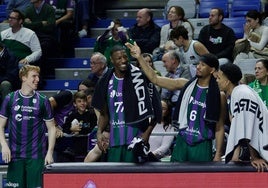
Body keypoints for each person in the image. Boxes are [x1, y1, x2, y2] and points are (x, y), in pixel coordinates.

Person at [126, 42, 226, 162]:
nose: (198, 67)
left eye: (203, 65)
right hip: (182, 140)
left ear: (212, 70)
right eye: (198, 63)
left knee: (199, 180)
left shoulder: (218, 95)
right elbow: (155, 79)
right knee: (175, 178)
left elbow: (219, 127)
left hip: (202, 143)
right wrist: (139, 57)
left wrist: (218, 154)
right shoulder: (186, 84)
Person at [91, 45, 162, 162]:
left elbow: (155, 109)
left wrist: (146, 135)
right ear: (112, 61)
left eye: (125, 57)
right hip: (115, 141)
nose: (123, 60)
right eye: (119, 58)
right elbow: (104, 113)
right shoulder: (105, 81)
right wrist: (99, 132)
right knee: (114, 179)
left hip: (135, 141)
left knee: (135, 179)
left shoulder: (139, 78)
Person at [0, 65, 56, 188]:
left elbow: (52, 128)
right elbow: (0, 126)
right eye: (34, 76)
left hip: (36, 157)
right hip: (15, 157)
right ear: (24, 77)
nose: (38, 79)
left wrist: (49, 152)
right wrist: (4, 145)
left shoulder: (43, 100)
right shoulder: (10, 99)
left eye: (38, 76)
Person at [216, 63, 268, 172]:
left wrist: (254, 157)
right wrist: (235, 156)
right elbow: (239, 128)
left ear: (227, 81)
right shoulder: (236, 93)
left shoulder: (242, 94)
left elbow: (250, 125)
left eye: (219, 78)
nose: (217, 81)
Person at [62, 91, 97, 161]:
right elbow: (65, 129)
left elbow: (93, 129)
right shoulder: (71, 115)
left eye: (84, 101)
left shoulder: (92, 115)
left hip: (88, 147)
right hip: (75, 147)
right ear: (75, 104)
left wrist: (79, 129)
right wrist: (71, 129)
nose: (82, 103)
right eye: (79, 101)